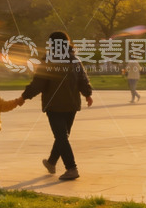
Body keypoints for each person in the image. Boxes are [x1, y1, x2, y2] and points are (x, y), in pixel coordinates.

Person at [22, 31, 93, 181]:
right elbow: (83, 79)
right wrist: (87, 94)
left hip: (54, 105)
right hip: (72, 104)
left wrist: (25, 96)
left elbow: (39, 83)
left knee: (61, 136)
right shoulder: (74, 59)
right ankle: (51, 162)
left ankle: (71, 168)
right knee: (62, 136)